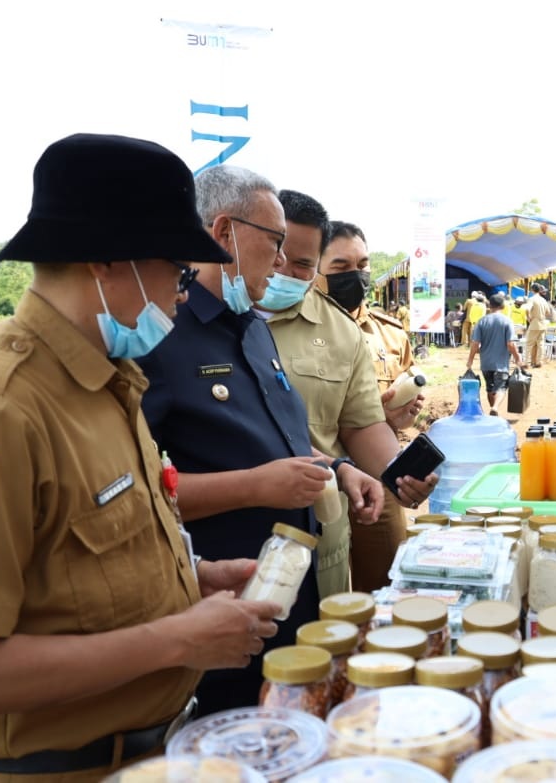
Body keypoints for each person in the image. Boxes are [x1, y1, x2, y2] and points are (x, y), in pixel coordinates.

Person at [0, 134, 282, 781]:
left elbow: (78, 570)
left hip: (152, 754)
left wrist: (192, 580)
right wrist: (179, 638)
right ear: (107, 260)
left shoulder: (108, 384)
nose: (184, 293)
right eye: (177, 271)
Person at [136, 166, 384, 717]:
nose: (279, 263)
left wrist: (342, 470)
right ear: (223, 232)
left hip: (293, 583)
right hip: (224, 596)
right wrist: (255, 487)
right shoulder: (159, 337)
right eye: (273, 243)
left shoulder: (251, 327)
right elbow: (137, 492)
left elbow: (283, 441)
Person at [258, 190, 437, 597]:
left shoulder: (341, 332)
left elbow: (361, 423)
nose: (283, 270)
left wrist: (399, 472)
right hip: (231, 533)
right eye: (279, 255)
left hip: (323, 526)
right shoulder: (207, 317)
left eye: (303, 264)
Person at [319, 221, 425, 589]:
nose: (356, 276)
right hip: (319, 481)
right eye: (341, 267)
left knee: (385, 586)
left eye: (362, 265)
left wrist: (401, 415)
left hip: (379, 480)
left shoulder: (390, 332)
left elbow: (396, 410)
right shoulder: (289, 332)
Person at [466, 292, 524, 414]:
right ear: (502, 306)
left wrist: (470, 360)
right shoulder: (507, 321)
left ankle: (493, 412)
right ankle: (495, 407)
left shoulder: (481, 322)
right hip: (501, 363)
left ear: (489, 305)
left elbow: (475, 344)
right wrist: (517, 357)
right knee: (501, 387)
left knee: (490, 388)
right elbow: (510, 344)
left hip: (486, 363)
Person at [523, 283, 552, 369]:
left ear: (532, 290)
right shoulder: (543, 300)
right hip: (543, 324)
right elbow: (548, 312)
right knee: (541, 344)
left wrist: (528, 317)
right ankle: (539, 362)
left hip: (534, 323)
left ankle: (526, 362)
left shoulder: (531, 299)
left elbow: (527, 308)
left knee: (529, 344)